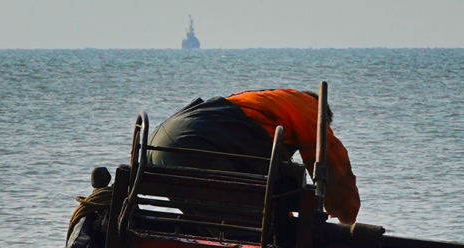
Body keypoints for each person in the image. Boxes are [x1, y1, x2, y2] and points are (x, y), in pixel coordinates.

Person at [147, 89, 361, 225]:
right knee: (244, 232)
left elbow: (266, 195)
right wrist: (346, 217)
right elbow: (331, 159)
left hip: (156, 144)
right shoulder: (307, 105)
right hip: (193, 143)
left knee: (210, 225)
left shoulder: (263, 109)